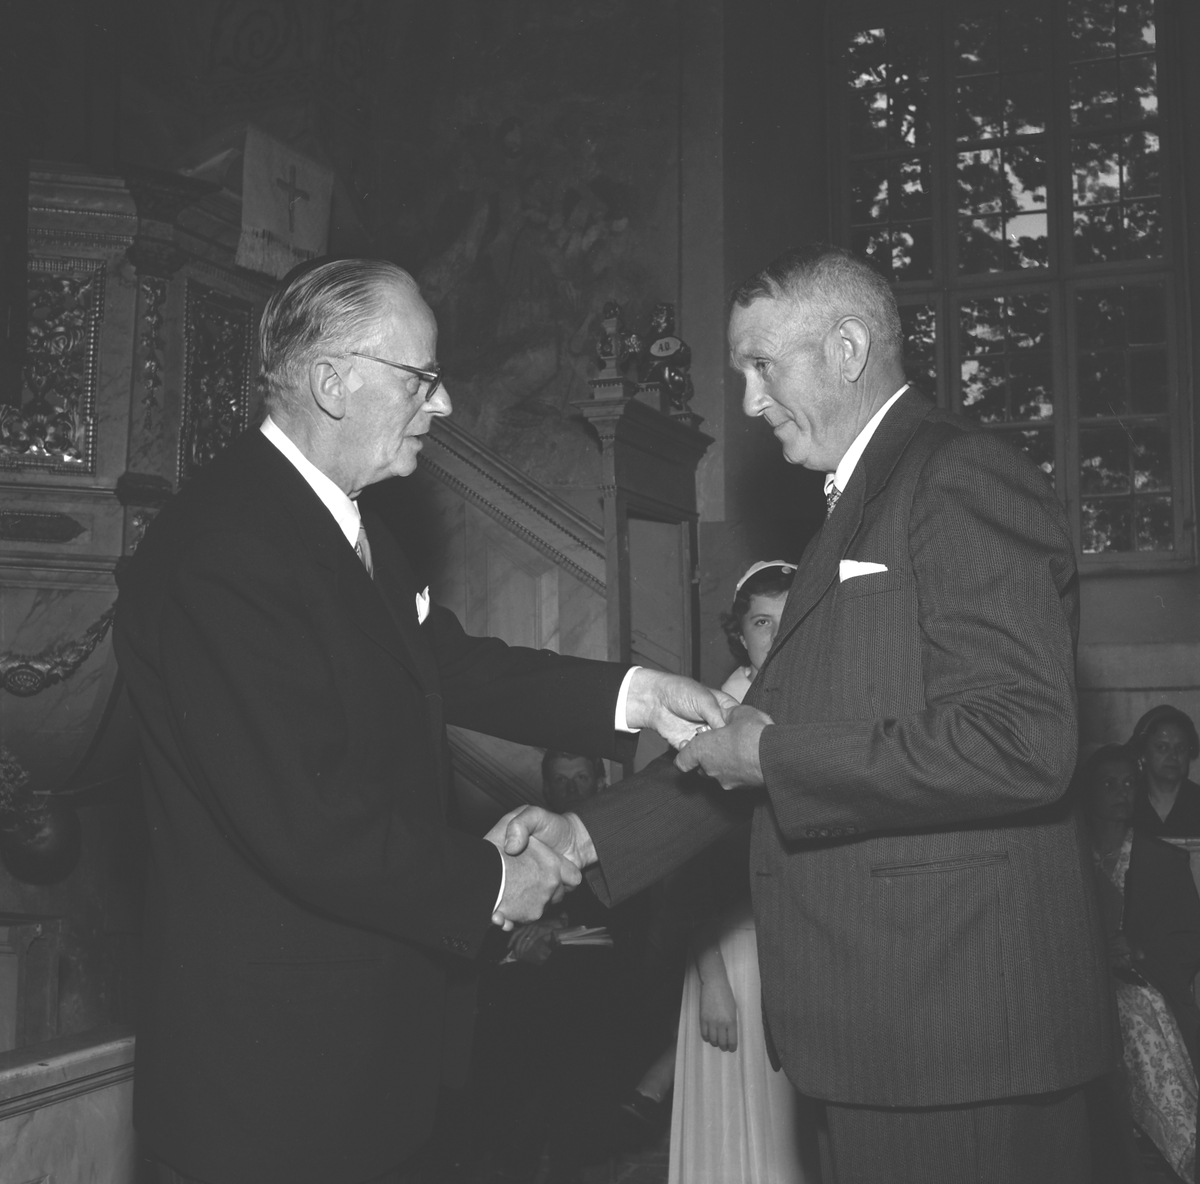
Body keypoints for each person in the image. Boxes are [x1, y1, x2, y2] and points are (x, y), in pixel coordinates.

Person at [502, 244, 1114, 1183]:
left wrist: (776, 758)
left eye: (762, 365)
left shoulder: (958, 476)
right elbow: (743, 746)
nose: (749, 402)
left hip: (961, 1036)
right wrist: (582, 839)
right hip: (878, 1029)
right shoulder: (847, 511)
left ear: (848, 347)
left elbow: (1022, 740)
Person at [112, 258, 728, 1184]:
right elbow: (304, 822)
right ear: (333, 382)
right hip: (270, 1084)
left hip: (354, 1058)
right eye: (421, 378)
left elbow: (449, 664)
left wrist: (639, 697)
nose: (441, 404)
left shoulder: (339, 523)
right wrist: (494, 881)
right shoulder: (227, 547)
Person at [668, 560, 820, 1184]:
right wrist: (713, 979)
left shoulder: (817, 711)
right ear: (740, 635)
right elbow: (687, 866)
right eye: (761, 622)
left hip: (806, 951)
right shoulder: (712, 725)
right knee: (735, 1134)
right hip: (733, 960)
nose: (776, 635)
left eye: (789, 618)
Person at [1080, 744, 1200, 1181]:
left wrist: (1139, 951)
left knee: (1133, 1011)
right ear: (1087, 793)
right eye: (1109, 784)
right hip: (1075, 989)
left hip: (1144, 986)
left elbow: (1190, 940)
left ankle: (1184, 1151)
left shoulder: (1163, 861)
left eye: (1130, 783)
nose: (1122, 792)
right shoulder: (1066, 861)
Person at [1129, 705, 1200, 838]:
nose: (1173, 756)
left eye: (1181, 748)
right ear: (1143, 754)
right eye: (1162, 747)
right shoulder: (1127, 802)